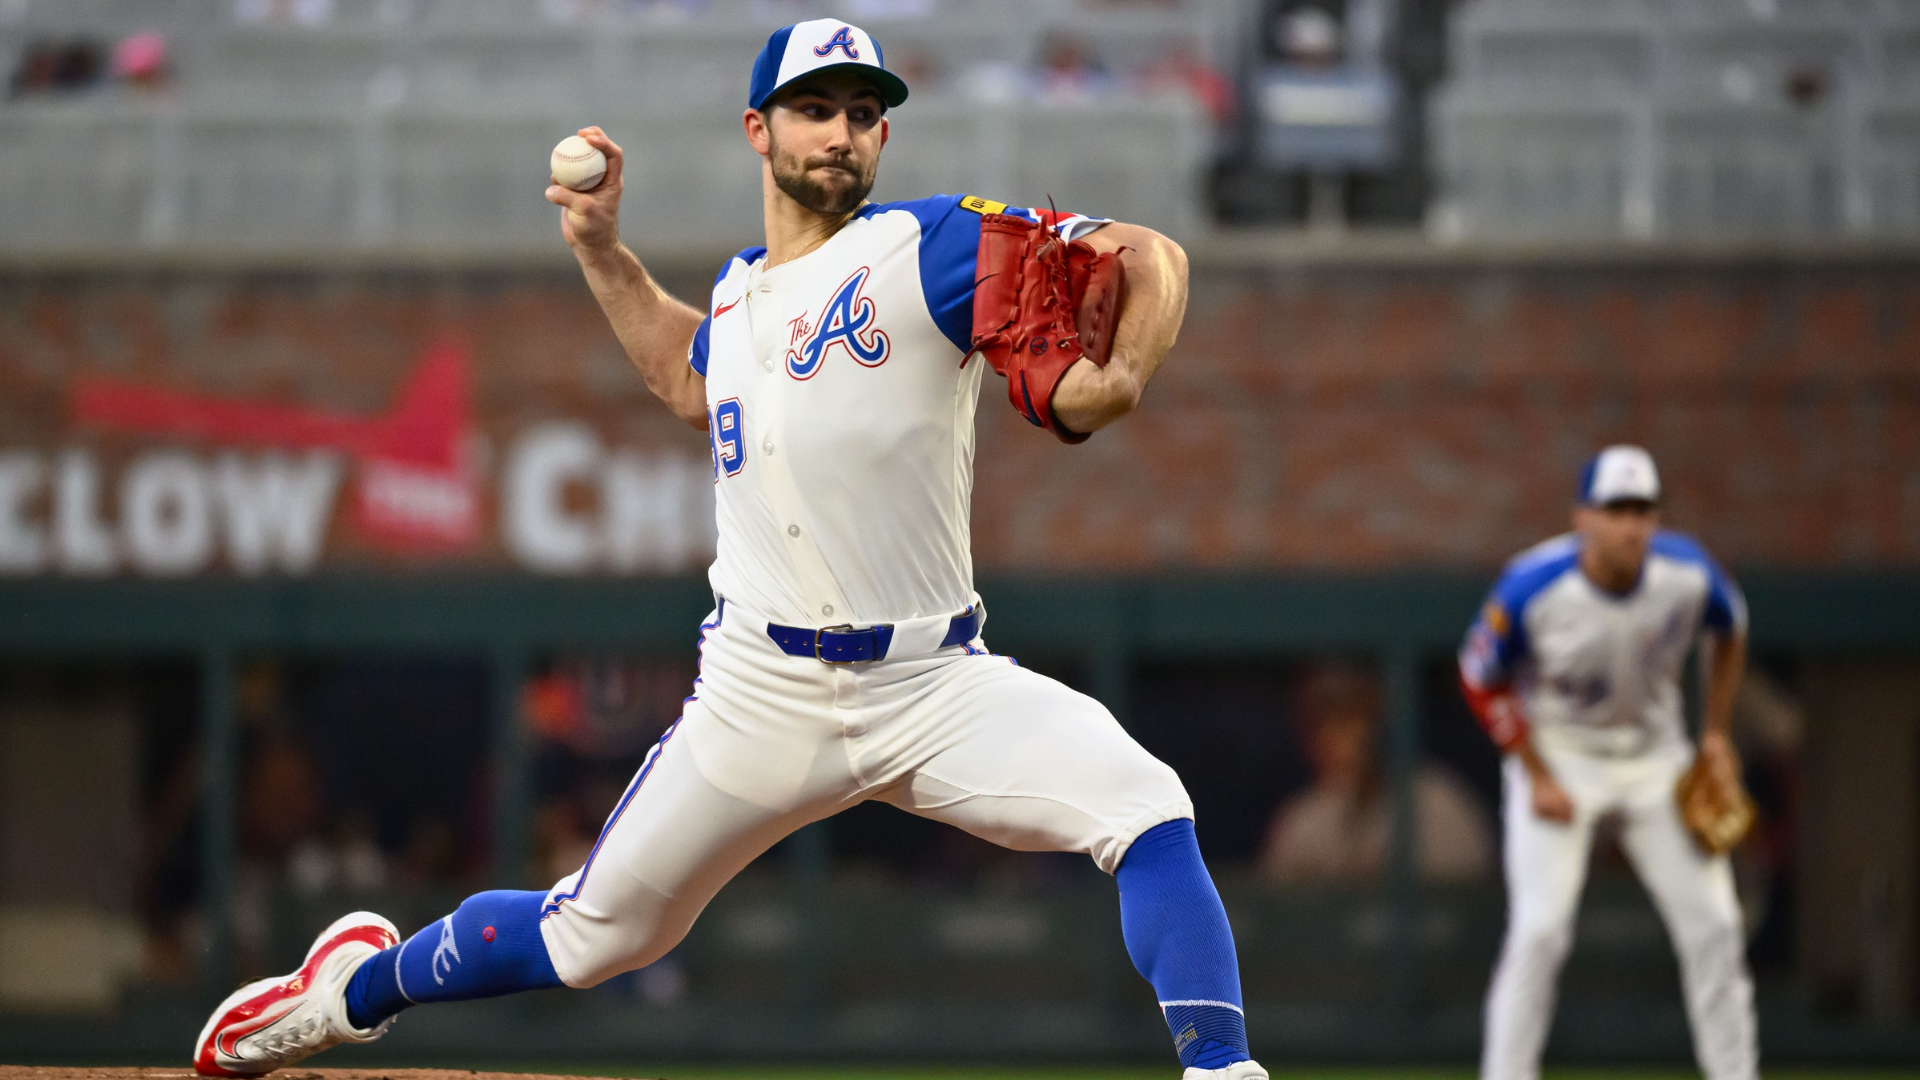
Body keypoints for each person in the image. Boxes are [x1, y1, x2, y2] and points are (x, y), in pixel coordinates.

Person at [193, 20, 1266, 1080]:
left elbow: (1147, 254)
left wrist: (1121, 373)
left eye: (862, 113)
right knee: (591, 938)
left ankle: (1222, 1073)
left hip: (934, 682)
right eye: (813, 110)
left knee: (1147, 806)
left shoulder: (927, 244)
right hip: (762, 690)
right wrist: (604, 251)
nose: (841, 133)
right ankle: (346, 994)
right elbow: (685, 375)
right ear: (759, 130)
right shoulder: (740, 292)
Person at [1457, 445, 1758, 1080]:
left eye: (1643, 509)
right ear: (1583, 518)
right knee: (1539, 931)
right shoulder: (1533, 584)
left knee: (1716, 926)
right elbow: (1478, 674)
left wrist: (1717, 735)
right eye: (1617, 509)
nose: (1631, 525)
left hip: (1657, 761)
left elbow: (1732, 628)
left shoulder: (1688, 571)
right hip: (1560, 757)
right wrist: (1535, 774)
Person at [1259, 664, 1491, 884]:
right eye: (1321, 720)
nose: (1332, 735)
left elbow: (1460, 912)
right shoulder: (1303, 819)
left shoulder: (1439, 804)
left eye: (1350, 715)